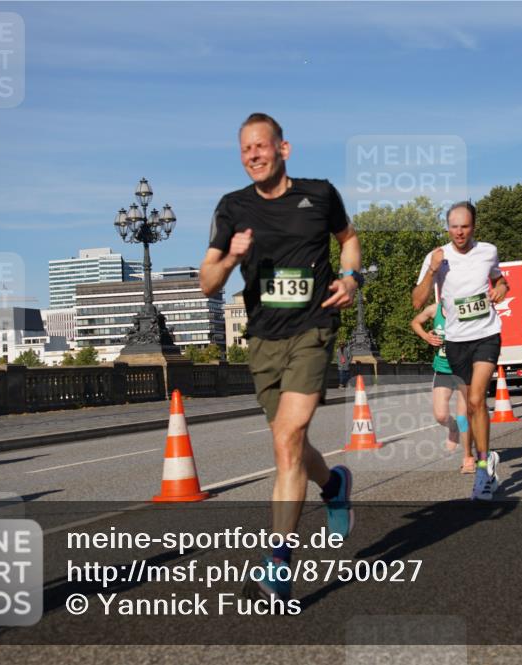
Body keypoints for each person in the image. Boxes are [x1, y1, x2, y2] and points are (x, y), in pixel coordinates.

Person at [199, 113, 360, 601]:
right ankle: (333, 485)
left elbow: (348, 239)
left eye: (261, 147)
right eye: (245, 149)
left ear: (283, 149)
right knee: (288, 444)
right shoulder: (232, 208)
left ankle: (277, 563)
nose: (253, 155)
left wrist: (352, 279)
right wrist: (230, 257)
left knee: (290, 437)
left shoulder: (320, 195)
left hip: (312, 330)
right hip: (263, 340)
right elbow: (208, 282)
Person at [412, 201, 509, 500]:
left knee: (478, 398)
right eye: (454, 226)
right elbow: (417, 301)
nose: (459, 232)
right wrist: (432, 270)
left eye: (465, 226)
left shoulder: (488, 251)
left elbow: (500, 279)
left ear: (473, 227)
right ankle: (487, 456)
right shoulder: (437, 256)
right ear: (447, 227)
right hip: (455, 341)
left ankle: (481, 467)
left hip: (487, 334)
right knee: (469, 405)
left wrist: (501, 288)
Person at [410, 301, 474, 473]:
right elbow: (415, 322)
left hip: (463, 370)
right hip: (443, 370)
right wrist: (426, 336)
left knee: (463, 417)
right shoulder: (434, 309)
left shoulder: (464, 309)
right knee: (440, 415)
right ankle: (452, 428)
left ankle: (468, 457)